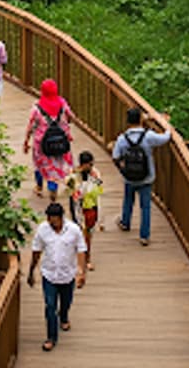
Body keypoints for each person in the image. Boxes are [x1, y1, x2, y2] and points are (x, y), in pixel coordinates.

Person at [27, 200, 87, 350]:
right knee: (50, 305)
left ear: (61, 218)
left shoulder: (73, 230)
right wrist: (31, 271)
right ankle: (51, 337)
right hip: (49, 274)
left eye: (54, 220)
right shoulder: (43, 229)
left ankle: (64, 316)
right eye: (49, 220)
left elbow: (81, 250)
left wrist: (81, 271)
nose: (51, 223)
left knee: (66, 301)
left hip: (67, 274)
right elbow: (36, 251)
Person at [112, 105, 173, 245]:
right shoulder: (148, 136)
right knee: (145, 206)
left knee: (128, 200)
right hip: (146, 177)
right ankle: (144, 235)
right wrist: (167, 126)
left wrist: (123, 170)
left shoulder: (122, 138)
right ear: (141, 120)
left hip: (129, 177)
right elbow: (165, 138)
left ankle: (125, 222)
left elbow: (115, 156)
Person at [23, 79, 75, 201]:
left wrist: (26, 141)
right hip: (60, 140)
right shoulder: (62, 103)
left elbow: (30, 126)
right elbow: (71, 116)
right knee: (55, 164)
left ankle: (39, 186)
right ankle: (53, 186)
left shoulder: (37, 108)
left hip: (42, 143)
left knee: (40, 164)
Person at [65, 151, 104, 269]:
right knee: (80, 231)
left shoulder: (95, 173)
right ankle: (84, 258)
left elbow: (99, 189)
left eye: (91, 165)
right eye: (88, 165)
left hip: (91, 205)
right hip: (78, 206)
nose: (90, 167)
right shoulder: (72, 175)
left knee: (88, 233)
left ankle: (86, 257)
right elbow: (70, 190)